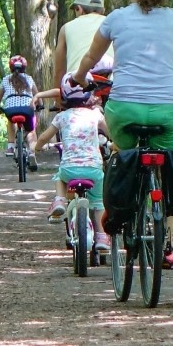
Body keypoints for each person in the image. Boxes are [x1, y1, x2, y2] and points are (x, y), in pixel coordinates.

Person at [73, 0, 173, 267]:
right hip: (169, 110)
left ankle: (118, 213)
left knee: (121, 153)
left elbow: (91, 56)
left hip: (124, 108)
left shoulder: (116, 18)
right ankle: (165, 242)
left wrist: (78, 78)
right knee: (165, 163)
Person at [33, 66, 109, 262]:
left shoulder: (61, 117)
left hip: (69, 169)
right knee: (99, 202)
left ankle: (59, 200)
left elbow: (43, 137)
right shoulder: (96, 115)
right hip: (94, 169)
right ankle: (101, 238)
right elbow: (110, 133)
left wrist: (37, 147)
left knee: (59, 176)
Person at [36, 0, 112, 110]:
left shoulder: (66, 28)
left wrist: (59, 99)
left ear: (79, 9)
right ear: (102, 10)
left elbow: (59, 72)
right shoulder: (112, 23)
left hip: (77, 88)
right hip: (111, 85)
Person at [0, 56, 39, 168]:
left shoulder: (6, 79)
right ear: (25, 67)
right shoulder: (29, 78)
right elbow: (36, 94)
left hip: (11, 109)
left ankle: (10, 146)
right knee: (31, 130)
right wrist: (40, 104)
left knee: (10, 121)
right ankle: (31, 152)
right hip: (27, 108)